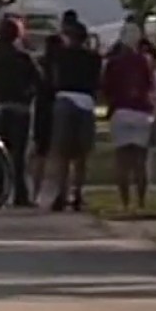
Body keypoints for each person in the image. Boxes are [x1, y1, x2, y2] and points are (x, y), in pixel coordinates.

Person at [0, 17, 41, 207]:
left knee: (1, 151)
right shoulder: (22, 58)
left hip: (0, 105)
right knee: (18, 154)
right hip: (20, 108)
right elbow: (40, 79)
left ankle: (0, 192)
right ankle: (20, 194)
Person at [46, 20, 101, 211]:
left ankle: (61, 193)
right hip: (85, 102)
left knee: (62, 153)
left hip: (64, 99)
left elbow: (54, 79)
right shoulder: (94, 58)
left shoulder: (60, 56)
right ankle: (77, 194)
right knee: (81, 154)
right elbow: (97, 82)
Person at [102, 22, 156, 212]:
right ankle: (141, 202)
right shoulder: (145, 60)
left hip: (120, 111)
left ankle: (125, 203)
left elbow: (106, 89)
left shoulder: (113, 63)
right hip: (142, 111)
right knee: (140, 162)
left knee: (122, 162)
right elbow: (150, 86)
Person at [29, 29, 66, 204]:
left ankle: (35, 193)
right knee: (60, 153)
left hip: (42, 108)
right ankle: (61, 192)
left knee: (40, 152)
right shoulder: (64, 64)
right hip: (60, 106)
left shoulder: (40, 64)